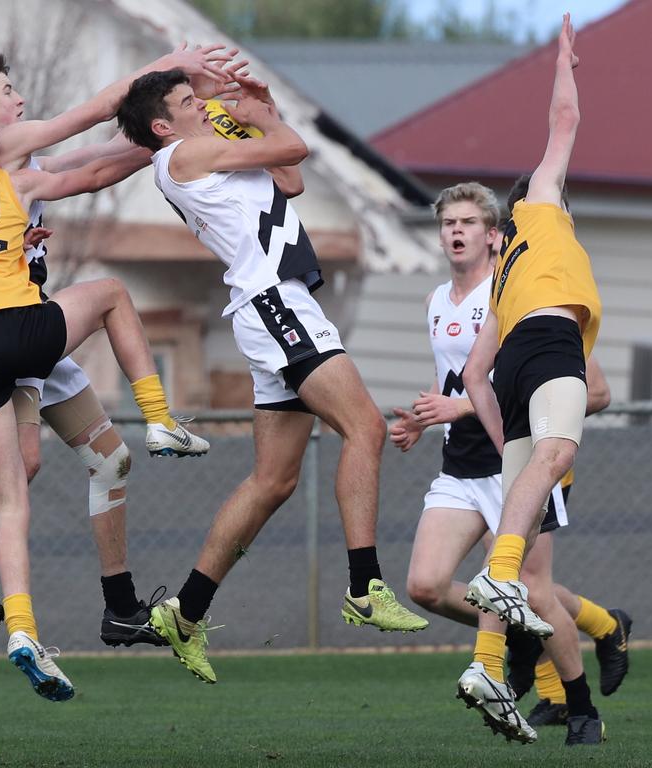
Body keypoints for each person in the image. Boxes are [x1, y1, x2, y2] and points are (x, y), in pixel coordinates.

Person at [116, 69, 427, 685]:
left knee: (272, 480)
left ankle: (186, 611)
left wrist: (265, 110)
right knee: (364, 427)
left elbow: (290, 178)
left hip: (271, 306)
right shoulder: (188, 151)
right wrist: (265, 119)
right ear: (162, 126)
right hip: (275, 303)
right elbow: (293, 148)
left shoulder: (207, 150)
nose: (201, 106)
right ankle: (366, 586)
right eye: (187, 102)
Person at [0, 72, 202, 701]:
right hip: (23, 330)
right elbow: (89, 156)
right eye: (6, 94)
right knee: (113, 297)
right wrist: (173, 105)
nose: (19, 101)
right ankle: (159, 416)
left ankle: (27, 628)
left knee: (70, 474)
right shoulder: (13, 166)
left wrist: (19, 244)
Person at [389, 182, 628, 740]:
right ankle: (583, 626)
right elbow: (453, 377)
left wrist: (465, 407)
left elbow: (592, 390)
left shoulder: (523, 292)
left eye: (470, 222)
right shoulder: (435, 302)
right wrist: (425, 418)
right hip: (460, 466)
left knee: (531, 589)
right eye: (449, 222)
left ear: (496, 235)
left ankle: (581, 706)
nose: (457, 231)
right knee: (426, 586)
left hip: (514, 460)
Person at [459, 14, 606, 745]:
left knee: (517, 519)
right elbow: (565, 121)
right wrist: (565, 65)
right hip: (549, 346)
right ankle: (500, 597)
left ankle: (489, 659)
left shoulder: (499, 284)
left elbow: (475, 375)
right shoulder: (542, 212)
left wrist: (502, 435)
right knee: (558, 457)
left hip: (516, 365)